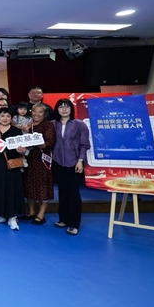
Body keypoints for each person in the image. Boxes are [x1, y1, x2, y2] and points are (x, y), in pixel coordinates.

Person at [52, 98, 90, 236]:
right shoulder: (52, 124)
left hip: (74, 162)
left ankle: (74, 224)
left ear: (71, 109)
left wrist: (80, 160)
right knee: (62, 192)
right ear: (57, 109)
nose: (64, 109)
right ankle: (63, 219)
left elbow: (84, 144)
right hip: (57, 162)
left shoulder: (79, 124)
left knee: (73, 193)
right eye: (61, 107)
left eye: (66, 107)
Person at [0, 108, 25, 231]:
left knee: (11, 189)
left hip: (11, 164)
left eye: (8, 116)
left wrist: (21, 151)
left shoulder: (16, 131)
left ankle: (12, 216)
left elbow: (22, 150)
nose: (5, 118)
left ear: (11, 118)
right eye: (2, 116)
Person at [20, 103, 56, 226]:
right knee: (29, 185)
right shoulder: (27, 125)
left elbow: (49, 143)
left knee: (42, 186)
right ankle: (31, 211)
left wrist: (32, 141)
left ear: (45, 114)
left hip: (42, 160)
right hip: (28, 158)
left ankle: (41, 214)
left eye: (40, 112)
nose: (36, 114)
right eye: (34, 111)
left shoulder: (47, 125)